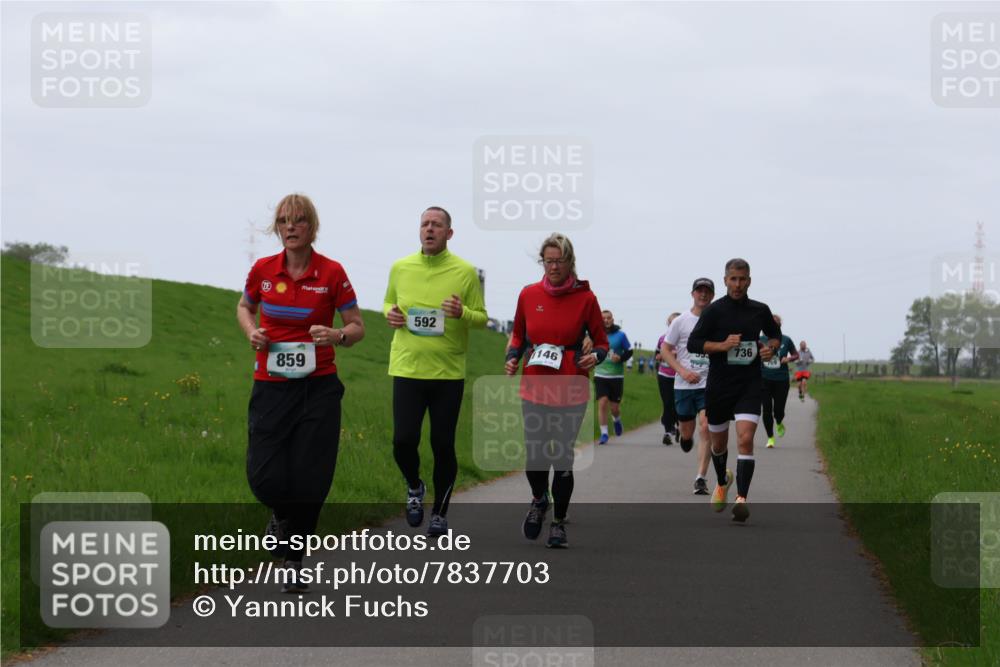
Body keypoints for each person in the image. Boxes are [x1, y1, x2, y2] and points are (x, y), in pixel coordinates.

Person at [238, 193, 365, 592]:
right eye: (283, 221)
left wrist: (337, 335)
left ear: (312, 227)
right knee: (263, 475)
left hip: (319, 388)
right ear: (277, 228)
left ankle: (295, 560)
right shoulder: (262, 269)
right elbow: (244, 307)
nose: (290, 227)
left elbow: (358, 325)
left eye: (298, 221)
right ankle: (278, 512)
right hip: (271, 387)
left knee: (311, 476)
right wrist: (252, 331)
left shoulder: (331, 273)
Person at [384, 206, 488, 537]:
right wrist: (392, 314)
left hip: (447, 373)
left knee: (442, 444)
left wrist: (462, 312)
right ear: (419, 231)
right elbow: (388, 302)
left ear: (449, 233)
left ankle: (440, 513)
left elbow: (482, 317)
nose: (429, 229)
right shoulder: (401, 267)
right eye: (425, 224)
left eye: (436, 225)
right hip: (407, 368)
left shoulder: (466, 272)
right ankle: (415, 487)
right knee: (403, 441)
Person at [505, 233, 608, 548]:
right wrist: (511, 358)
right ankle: (539, 499)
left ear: (569, 262)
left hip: (571, 383)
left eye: (558, 261)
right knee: (536, 455)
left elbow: (601, 342)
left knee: (561, 456)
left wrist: (597, 355)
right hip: (534, 383)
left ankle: (559, 523)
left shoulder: (586, 299)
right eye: (547, 261)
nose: (552, 267)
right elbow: (518, 336)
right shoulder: (528, 294)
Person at [687, 259, 780, 522]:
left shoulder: (760, 310)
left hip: (749, 383)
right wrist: (722, 345)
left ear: (749, 280)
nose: (738, 284)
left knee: (746, 439)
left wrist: (770, 348)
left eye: (742, 279)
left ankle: (741, 499)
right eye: (733, 279)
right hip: (719, 386)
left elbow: (775, 335)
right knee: (718, 444)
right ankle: (721, 481)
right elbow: (694, 343)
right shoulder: (714, 311)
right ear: (725, 280)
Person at [663, 279, 715, 495]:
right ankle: (685, 438)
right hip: (684, 384)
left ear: (712, 295)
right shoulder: (681, 321)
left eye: (707, 292)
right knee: (688, 430)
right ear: (692, 294)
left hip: (709, 383)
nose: (703, 295)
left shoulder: (717, 319)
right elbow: (666, 350)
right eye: (699, 291)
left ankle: (700, 477)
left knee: (706, 426)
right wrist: (682, 371)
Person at [593, 311, 632, 444]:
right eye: (603, 318)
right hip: (600, 374)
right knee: (602, 402)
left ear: (612, 319)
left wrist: (620, 358)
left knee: (614, 408)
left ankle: (616, 420)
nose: (606, 320)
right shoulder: (595, 334)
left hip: (616, 376)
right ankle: (604, 433)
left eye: (608, 318)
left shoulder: (621, 335)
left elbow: (629, 351)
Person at [760, 315, 799, 448]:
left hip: (781, 380)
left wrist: (789, 359)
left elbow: (796, 355)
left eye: (775, 325)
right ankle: (770, 437)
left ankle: (779, 421)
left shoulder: (786, 340)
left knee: (778, 410)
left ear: (779, 327)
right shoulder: (759, 340)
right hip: (764, 379)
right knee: (766, 410)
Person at [655, 314, 681, 445]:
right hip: (664, 375)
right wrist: (661, 356)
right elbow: (657, 355)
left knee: (677, 404)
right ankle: (667, 432)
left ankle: (678, 426)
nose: (673, 325)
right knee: (667, 403)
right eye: (671, 323)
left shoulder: (684, 339)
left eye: (676, 323)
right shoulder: (662, 339)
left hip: (680, 376)